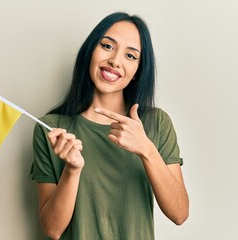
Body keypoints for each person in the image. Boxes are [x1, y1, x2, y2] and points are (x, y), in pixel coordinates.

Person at [29, 12, 189, 240]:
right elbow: (53, 230)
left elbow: (180, 213)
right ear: (90, 52)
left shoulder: (156, 123)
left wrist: (146, 149)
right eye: (107, 46)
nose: (116, 61)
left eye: (131, 56)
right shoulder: (52, 128)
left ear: (138, 72)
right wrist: (72, 171)